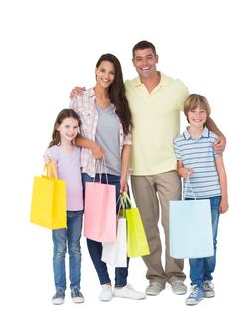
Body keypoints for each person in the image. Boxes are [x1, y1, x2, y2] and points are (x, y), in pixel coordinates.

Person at [70, 41, 226, 297]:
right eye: (139, 59)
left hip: (169, 167)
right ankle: (155, 276)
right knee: (147, 226)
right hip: (138, 170)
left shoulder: (175, 87)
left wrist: (219, 135)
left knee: (173, 224)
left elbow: (197, 111)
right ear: (133, 63)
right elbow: (99, 103)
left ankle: (176, 275)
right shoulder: (127, 89)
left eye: (148, 57)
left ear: (156, 58)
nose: (144, 63)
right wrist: (78, 91)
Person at [69, 53, 145, 301]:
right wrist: (91, 144)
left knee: (122, 228)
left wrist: (124, 177)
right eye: (103, 70)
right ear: (95, 71)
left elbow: (127, 143)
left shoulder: (120, 104)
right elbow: (70, 135)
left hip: (116, 175)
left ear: (116, 76)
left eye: (111, 72)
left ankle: (122, 285)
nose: (106, 76)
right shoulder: (80, 99)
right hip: (91, 174)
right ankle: (105, 282)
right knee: (94, 230)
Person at [174, 94, 228, 305]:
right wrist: (182, 171)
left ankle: (207, 279)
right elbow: (179, 167)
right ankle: (196, 283)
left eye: (202, 111)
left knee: (210, 242)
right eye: (193, 111)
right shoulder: (179, 141)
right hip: (191, 199)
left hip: (213, 197)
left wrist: (225, 197)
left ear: (207, 114)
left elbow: (221, 170)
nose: (197, 115)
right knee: (195, 243)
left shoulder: (213, 140)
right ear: (187, 114)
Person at [44, 108, 84, 305]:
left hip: (78, 208)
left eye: (75, 127)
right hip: (58, 208)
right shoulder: (53, 152)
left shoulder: (80, 151)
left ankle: (76, 288)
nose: (71, 130)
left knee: (75, 249)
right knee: (60, 249)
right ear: (58, 127)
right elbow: (52, 180)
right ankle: (60, 289)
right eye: (67, 126)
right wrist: (49, 163)